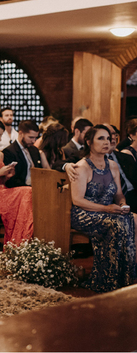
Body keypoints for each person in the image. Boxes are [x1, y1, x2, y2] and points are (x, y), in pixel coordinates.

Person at [68, 125, 137, 293]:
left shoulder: (112, 165)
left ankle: (126, 277)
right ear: (89, 142)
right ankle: (106, 280)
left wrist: (122, 204)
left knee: (129, 218)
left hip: (108, 211)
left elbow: (118, 194)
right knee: (117, 224)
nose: (107, 142)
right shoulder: (82, 166)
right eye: (101, 138)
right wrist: (106, 208)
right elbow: (77, 200)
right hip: (84, 213)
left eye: (108, 138)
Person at [2, 121, 47, 188]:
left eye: (35, 138)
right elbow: (11, 180)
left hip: (36, 187)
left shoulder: (34, 150)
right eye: (31, 137)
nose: (33, 141)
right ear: (21, 133)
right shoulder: (9, 152)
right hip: (19, 188)